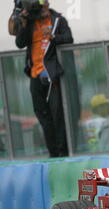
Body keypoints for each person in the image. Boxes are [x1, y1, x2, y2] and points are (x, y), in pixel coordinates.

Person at [14, 0, 73, 157]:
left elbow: (69, 38)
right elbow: (19, 43)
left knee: (57, 114)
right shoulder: (31, 22)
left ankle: (63, 152)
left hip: (52, 73)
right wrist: (24, 23)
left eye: (44, 3)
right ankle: (53, 152)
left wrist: (54, 37)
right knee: (42, 115)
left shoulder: (57, 20)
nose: (43, 6)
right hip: (35, 74)